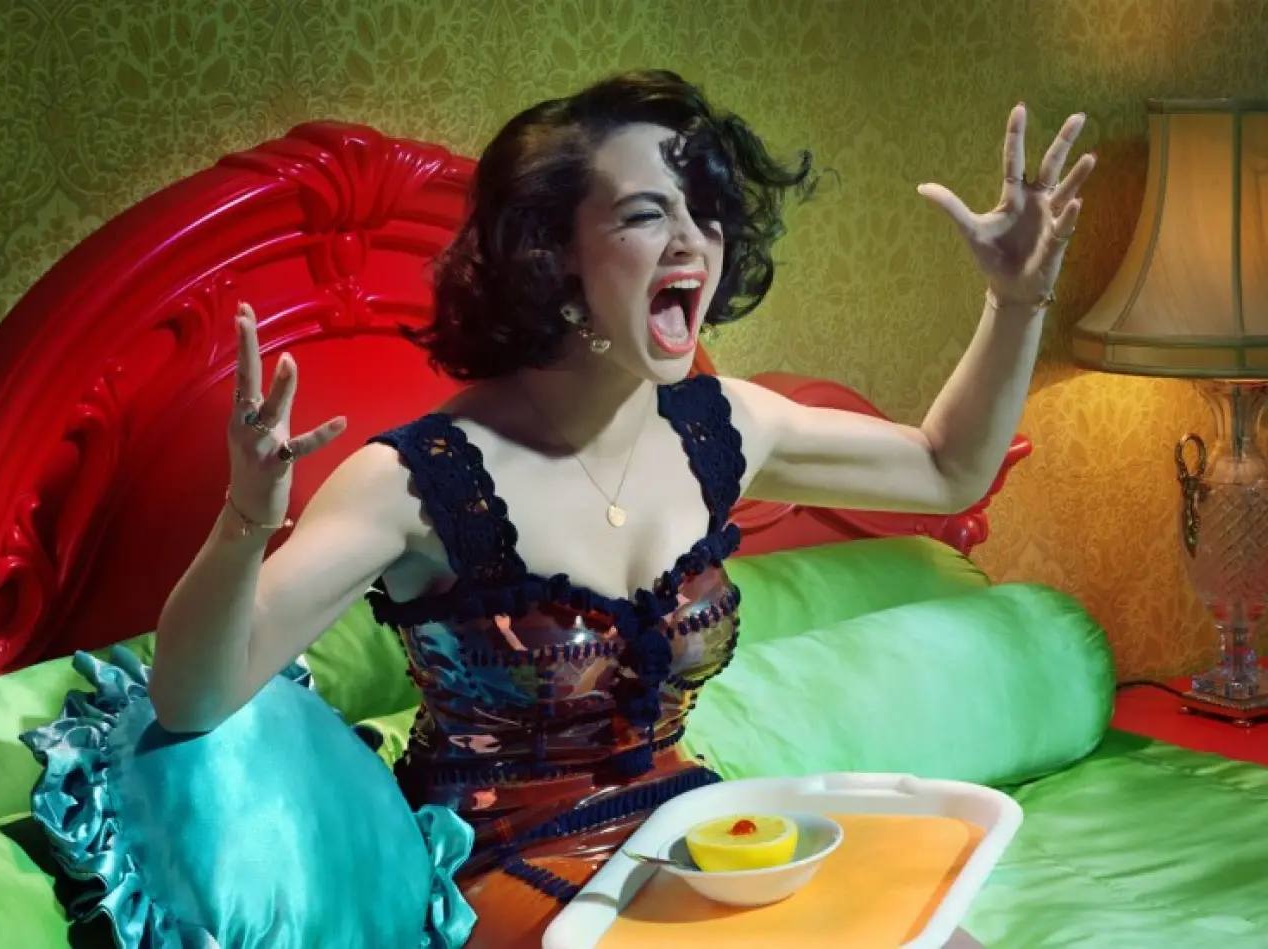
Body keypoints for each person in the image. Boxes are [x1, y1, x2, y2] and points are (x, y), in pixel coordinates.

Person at [149, 71, 1093, 947]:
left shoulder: (724, 425)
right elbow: (192, 696)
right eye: (647, 214)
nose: (692, 240)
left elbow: (946, 470)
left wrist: (1016, 301)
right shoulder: (418, 480)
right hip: (504, 868)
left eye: (705, 212)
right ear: (552, 253)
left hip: (686, 832)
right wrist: (245, 519)